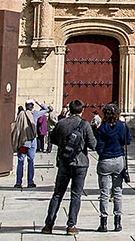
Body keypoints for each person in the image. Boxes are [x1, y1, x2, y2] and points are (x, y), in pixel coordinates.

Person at [42, 98, 97, 235]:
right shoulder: (84, 125)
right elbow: (93, 145)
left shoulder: (61, 123)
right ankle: (71, 225)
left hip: (64, 162)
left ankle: (48, 225)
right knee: (76, 195)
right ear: (82, 110)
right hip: (80, 164)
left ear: (70, 110)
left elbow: (52, 139)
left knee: (58, 194)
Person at [94, 103, 132, 233]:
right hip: (118, 160)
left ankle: (103, 223)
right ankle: (118, 222)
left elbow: (98, 146)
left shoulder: (101, 128)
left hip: (105, 160)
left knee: (104, 193)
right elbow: (127, 141)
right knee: (117, 192)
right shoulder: (122, 126)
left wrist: (103, 153)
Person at [12, 100, 39, 188]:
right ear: (32, 106)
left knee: (21, 160)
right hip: (31, 141)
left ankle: (18, 182)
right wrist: (38, 103)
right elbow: (47, 110)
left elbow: (17, 128)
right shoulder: (35, 114)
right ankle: (30, 182)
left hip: (23, 142)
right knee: (30, 160)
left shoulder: (20, 115)